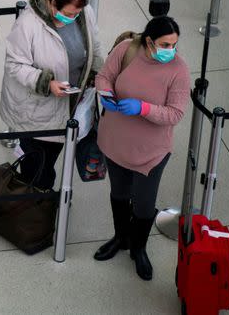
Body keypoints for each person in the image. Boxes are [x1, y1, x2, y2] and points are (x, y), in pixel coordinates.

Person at [93, 16, 190, 281]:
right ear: (149, 42)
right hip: (115, 142)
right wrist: (107, 95)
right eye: (165, 44)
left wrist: (143, 108)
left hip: (151, 152)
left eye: (174, 44)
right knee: (119, 194)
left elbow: (175, 114)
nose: (171, 49)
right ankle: (120, 238)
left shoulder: (179, 70)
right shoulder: (127, 49)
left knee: (145, 206)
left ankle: (139, 248)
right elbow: (103, 77)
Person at [0, 0, 103, 190]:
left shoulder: (85, 13)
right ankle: (36, 206)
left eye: (76, 14)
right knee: (37, 168)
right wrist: (46, 83)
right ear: (52, 2)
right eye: (68, 14)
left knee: (49, 158)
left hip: (68, 106)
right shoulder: (28, 23)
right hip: (34, 111)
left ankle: (43, 200)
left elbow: (95, 46)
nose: (72, 19)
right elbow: (14, 64)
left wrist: (98, 74)